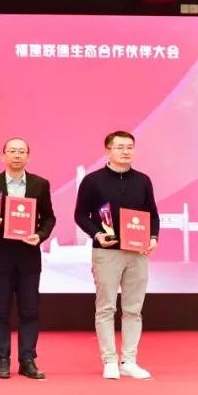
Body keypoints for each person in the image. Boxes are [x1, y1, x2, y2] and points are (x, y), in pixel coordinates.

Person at [75, 130, 159, 380]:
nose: (125, 151)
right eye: (120, 147)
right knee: (106, 307)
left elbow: (152, 214)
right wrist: (97, 235)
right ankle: (109, 360)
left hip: (137, 252)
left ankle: (129, 360)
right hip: (107, 252)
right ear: (108, 151)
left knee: (133, 308)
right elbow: (80, 215)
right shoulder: (92, 180)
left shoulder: (143, 180)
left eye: (130, 147)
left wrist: (153, 237)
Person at [0, 138, 56, 380]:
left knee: (29, 310)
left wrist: (40, 235)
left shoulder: (40, 184)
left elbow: (49, 217)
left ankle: (27, 359)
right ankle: (2, 358)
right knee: (0, 310)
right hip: (0, 256)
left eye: (21, 151)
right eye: (12, 151)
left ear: (28, 156)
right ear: (3, 156)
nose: (17, 155)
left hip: (29, 257)